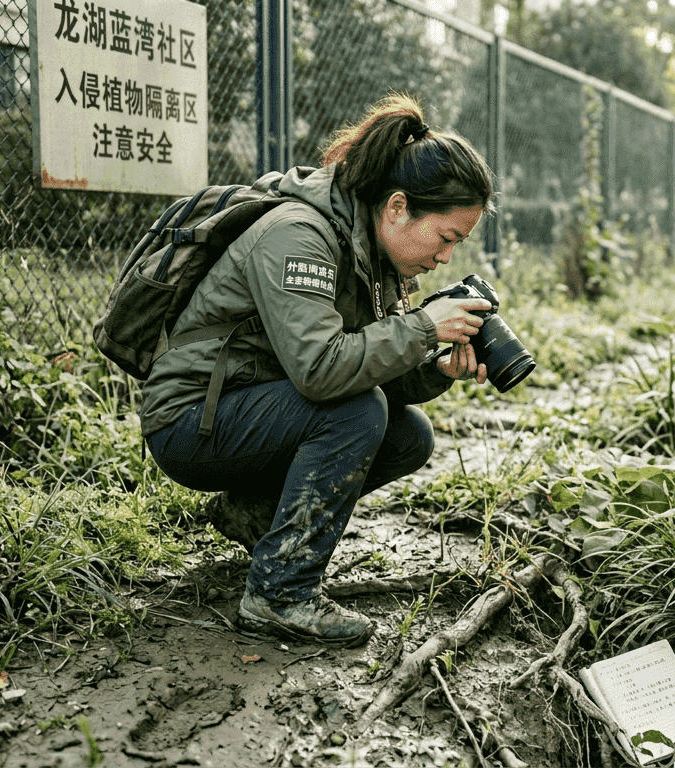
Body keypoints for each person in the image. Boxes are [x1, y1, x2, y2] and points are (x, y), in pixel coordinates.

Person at [139, 94, 497, 647]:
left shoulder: (374, 251)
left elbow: (372, 371)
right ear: (398, 207)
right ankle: (279, 593)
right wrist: (423, 327)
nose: (447, 258)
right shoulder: (298, 234)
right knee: (357, 412)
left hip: (255, 407)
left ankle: (255, 517)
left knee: (407, 435)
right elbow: (322, 371)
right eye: (446, 238)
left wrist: (435, 366)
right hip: (190, 421)